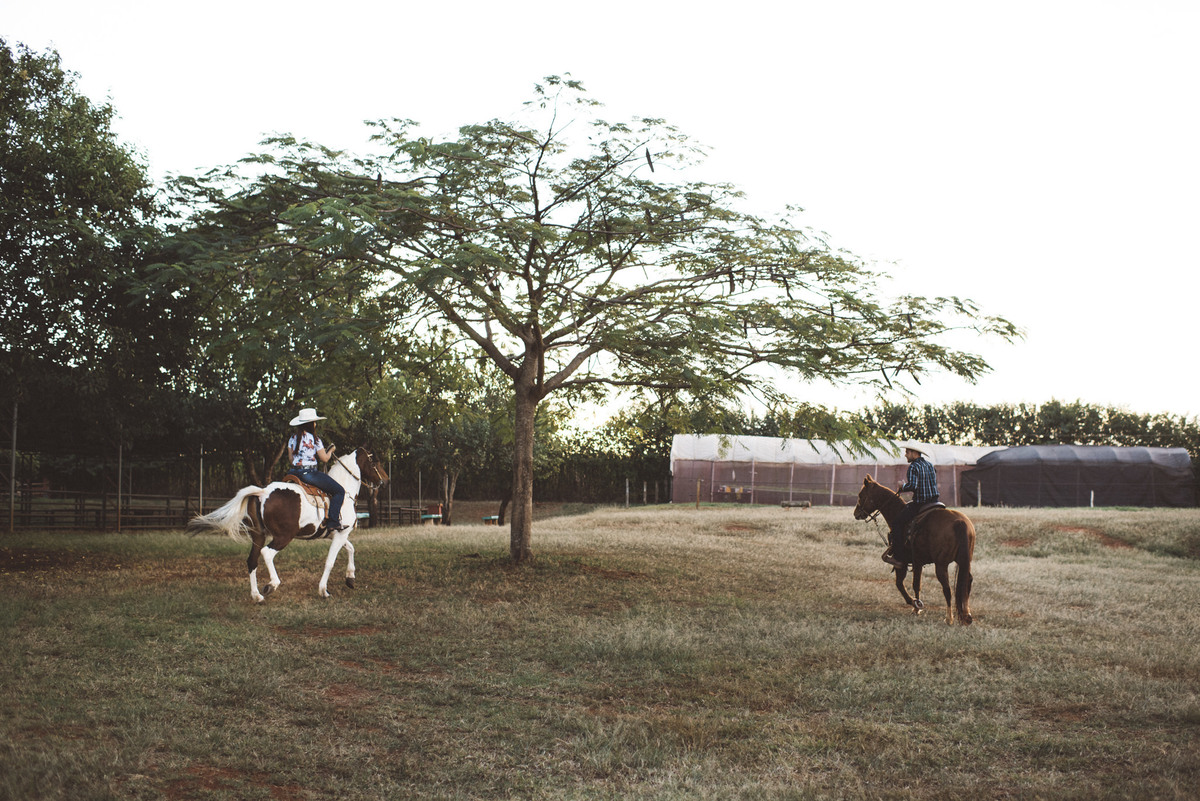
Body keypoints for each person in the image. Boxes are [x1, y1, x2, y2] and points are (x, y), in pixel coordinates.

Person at [286, 407, 346, 532]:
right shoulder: (315, 439)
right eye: (314, 422)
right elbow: (324, 458)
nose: (315, 424)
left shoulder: (292, 438)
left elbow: (291, 460)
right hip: (309, 473)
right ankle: (333, 522)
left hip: (293, 472)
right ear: (311, 424)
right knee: (339, 491)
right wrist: (331, 450)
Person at [882, 444, 939, 567]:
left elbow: (913, 486)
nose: (905, 455)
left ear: (914, 453)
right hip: (934, 502)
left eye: (907, 452)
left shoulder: (913, 466)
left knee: (897, 523)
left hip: (921, 503)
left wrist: (902, 486)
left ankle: (898, 558)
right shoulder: (930, 465)